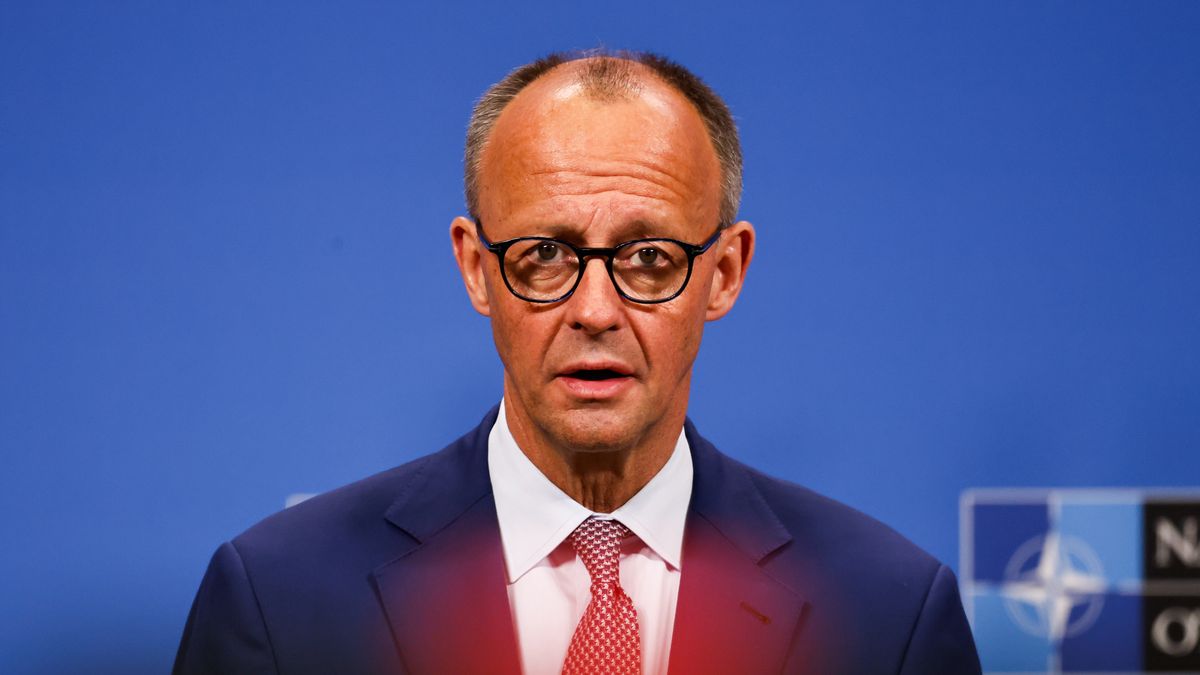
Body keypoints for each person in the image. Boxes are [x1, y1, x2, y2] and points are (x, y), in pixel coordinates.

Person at [174, 50, 981, 675]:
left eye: (651, 257)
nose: (595, 309)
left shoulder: (888, 612)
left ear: (725, 273)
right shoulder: (282, 598)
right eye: (544, 255)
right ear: (477, 268)